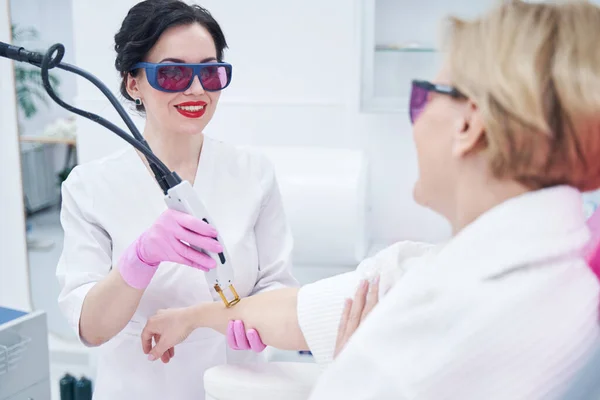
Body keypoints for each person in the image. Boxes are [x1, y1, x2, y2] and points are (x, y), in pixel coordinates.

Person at [142, 1, 600, 398]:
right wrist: (195, 316)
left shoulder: (421, 345)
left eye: (423, 97)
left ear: (468, 126)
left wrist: (350, 368)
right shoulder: (534, 264)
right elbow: (306, 311)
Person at [55, 1, 298, 399]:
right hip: (140, 387)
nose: (197, 89)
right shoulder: (89, 187)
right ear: (133, 83)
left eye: (210, 71)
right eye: (172, 73)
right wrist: (140, 259)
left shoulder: (253, 173)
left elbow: (279, 289)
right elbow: (91, 328)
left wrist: (261, 319)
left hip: (238, 384)